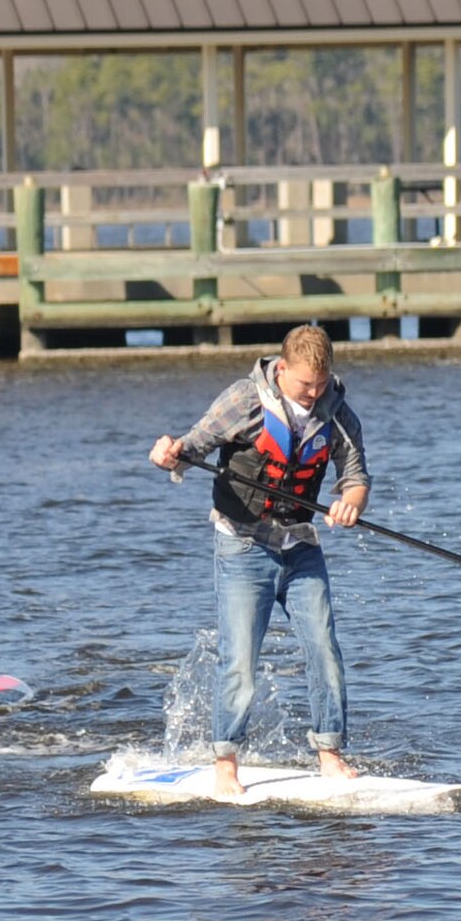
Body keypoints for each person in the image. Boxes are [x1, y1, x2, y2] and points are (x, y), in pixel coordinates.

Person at [148, 324, 370, 796]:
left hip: (302, 545)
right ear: (282, 368)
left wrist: (352, 502)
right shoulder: (245, 401)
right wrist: (169, 453)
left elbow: (355, 476)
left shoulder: (336, 412)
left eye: (321, 383)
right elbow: (193, 446)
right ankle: (226, 763)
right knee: (240, 662)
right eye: (305, 384)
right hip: (243, 546)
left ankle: (329, 753)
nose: (313, 394)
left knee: (325, 649)